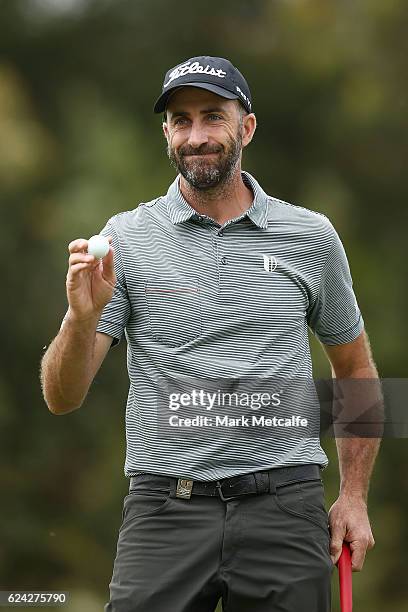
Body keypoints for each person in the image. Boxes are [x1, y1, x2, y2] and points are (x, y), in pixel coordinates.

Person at [40, 56, 380, 612]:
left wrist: (355, 496)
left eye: (212, 117)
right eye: (181, 120)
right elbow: (62, 396)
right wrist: (80, 319)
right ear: (166, 133)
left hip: (285, 506)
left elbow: (356, 370)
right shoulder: (124, 239)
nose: (196, 136)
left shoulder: (310, 235)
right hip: (165, 509)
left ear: (245, 127)